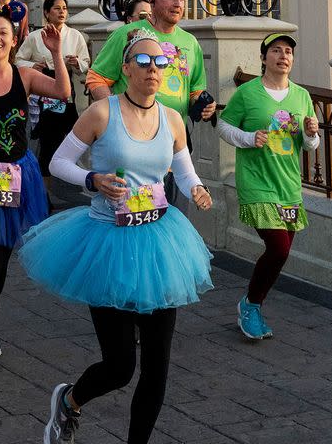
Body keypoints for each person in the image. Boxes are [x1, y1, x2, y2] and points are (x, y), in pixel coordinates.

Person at [19, 27, 214, 444]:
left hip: (160, 241)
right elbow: (58, 163)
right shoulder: (102, 113)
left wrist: (196, 188)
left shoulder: (173, 118)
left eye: (159, 62)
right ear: (125, 69)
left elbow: (182, 168)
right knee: (121, 365)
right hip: (107, 241)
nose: (152, 69)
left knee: (157, 365)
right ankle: (70, 401)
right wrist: (93, 179)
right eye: (142, 61)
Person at [0, 11, 70, 375]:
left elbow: (63, 92)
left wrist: (55, 53)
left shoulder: (23, 76)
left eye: (3, 33)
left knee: (2, 258)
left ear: (13, 40)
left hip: (16, 176)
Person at [217, 31, 319, 340]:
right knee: (278, 247)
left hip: (288, 184)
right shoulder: (247, 93)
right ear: (264, 58)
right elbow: (223, 126)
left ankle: (252, 303)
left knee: (282, 251)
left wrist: (312, 133)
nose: (283, 56)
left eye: (288, 51)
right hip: (257, 181)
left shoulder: (301, 96)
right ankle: (251, 305)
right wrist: (249, 139)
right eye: (276, 50)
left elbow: (309, 145)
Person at [86, 0, 216, 130]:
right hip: (132, 131)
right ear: (152, 0)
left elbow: (195, 90)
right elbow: (96, 78)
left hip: (176, 133)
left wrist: (204, 104)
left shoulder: (191, 42)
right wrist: (116, 115)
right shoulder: (126, 34)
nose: (177, 4)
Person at [18, 0, 90, 177]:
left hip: (67, 92)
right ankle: (45, 186)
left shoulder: (75, 36)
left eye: (64, 8)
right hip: (43, 92)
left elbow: (86, 63)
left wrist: (77, 63)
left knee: (76, 136)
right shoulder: (35, 37)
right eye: (57, 8)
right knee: (47, 141)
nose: (62, 12)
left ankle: (76, 176)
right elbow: (18, 60)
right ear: (46, 13)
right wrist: (32, 66)